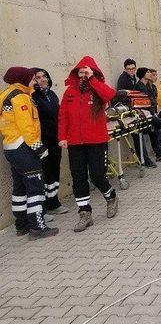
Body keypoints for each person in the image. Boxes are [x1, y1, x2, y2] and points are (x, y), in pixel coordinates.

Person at [58, 56, 119, 232]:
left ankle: (111, 197)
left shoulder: (98, 88)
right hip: (75, 142)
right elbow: (63, 116)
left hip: (96, 141)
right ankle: (85, 214)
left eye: (86, 71)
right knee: (78, 178)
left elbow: (109, 95)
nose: (83, 74)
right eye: (80, 71)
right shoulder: (70, 91)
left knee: (97, 175)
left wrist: (92, 78)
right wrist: (62, 136)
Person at [0, 67, 58, 239]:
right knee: (35, 187)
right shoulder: (21, 97)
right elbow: (26, 126)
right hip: (23, 147)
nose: (34, 81)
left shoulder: (6, 95)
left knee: (20, 188)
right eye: (32, 78)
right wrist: (39, 148)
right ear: (23, 79)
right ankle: (37, 227)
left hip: (10, 146)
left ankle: (22, 225)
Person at [32, 68, 68, 214]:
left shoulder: (52, 95)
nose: (42, 79)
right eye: (38, 77)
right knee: (45, 173)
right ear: (34, 81)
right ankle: (46, 206)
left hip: (55, 140)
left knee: (55, 170)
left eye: (44, 76)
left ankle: (54, 203)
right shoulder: (33, 97)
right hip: (43, 143)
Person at [136, 67, 161, 163]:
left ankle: (159, 154)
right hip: (145, 114)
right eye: (148, 72)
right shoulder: (139, 86)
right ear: (143, 74)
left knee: (154, 133)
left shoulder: (147, 86)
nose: (150, 73)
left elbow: (152, 100)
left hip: (151, 112)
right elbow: (144, 102)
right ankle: (153, 156)